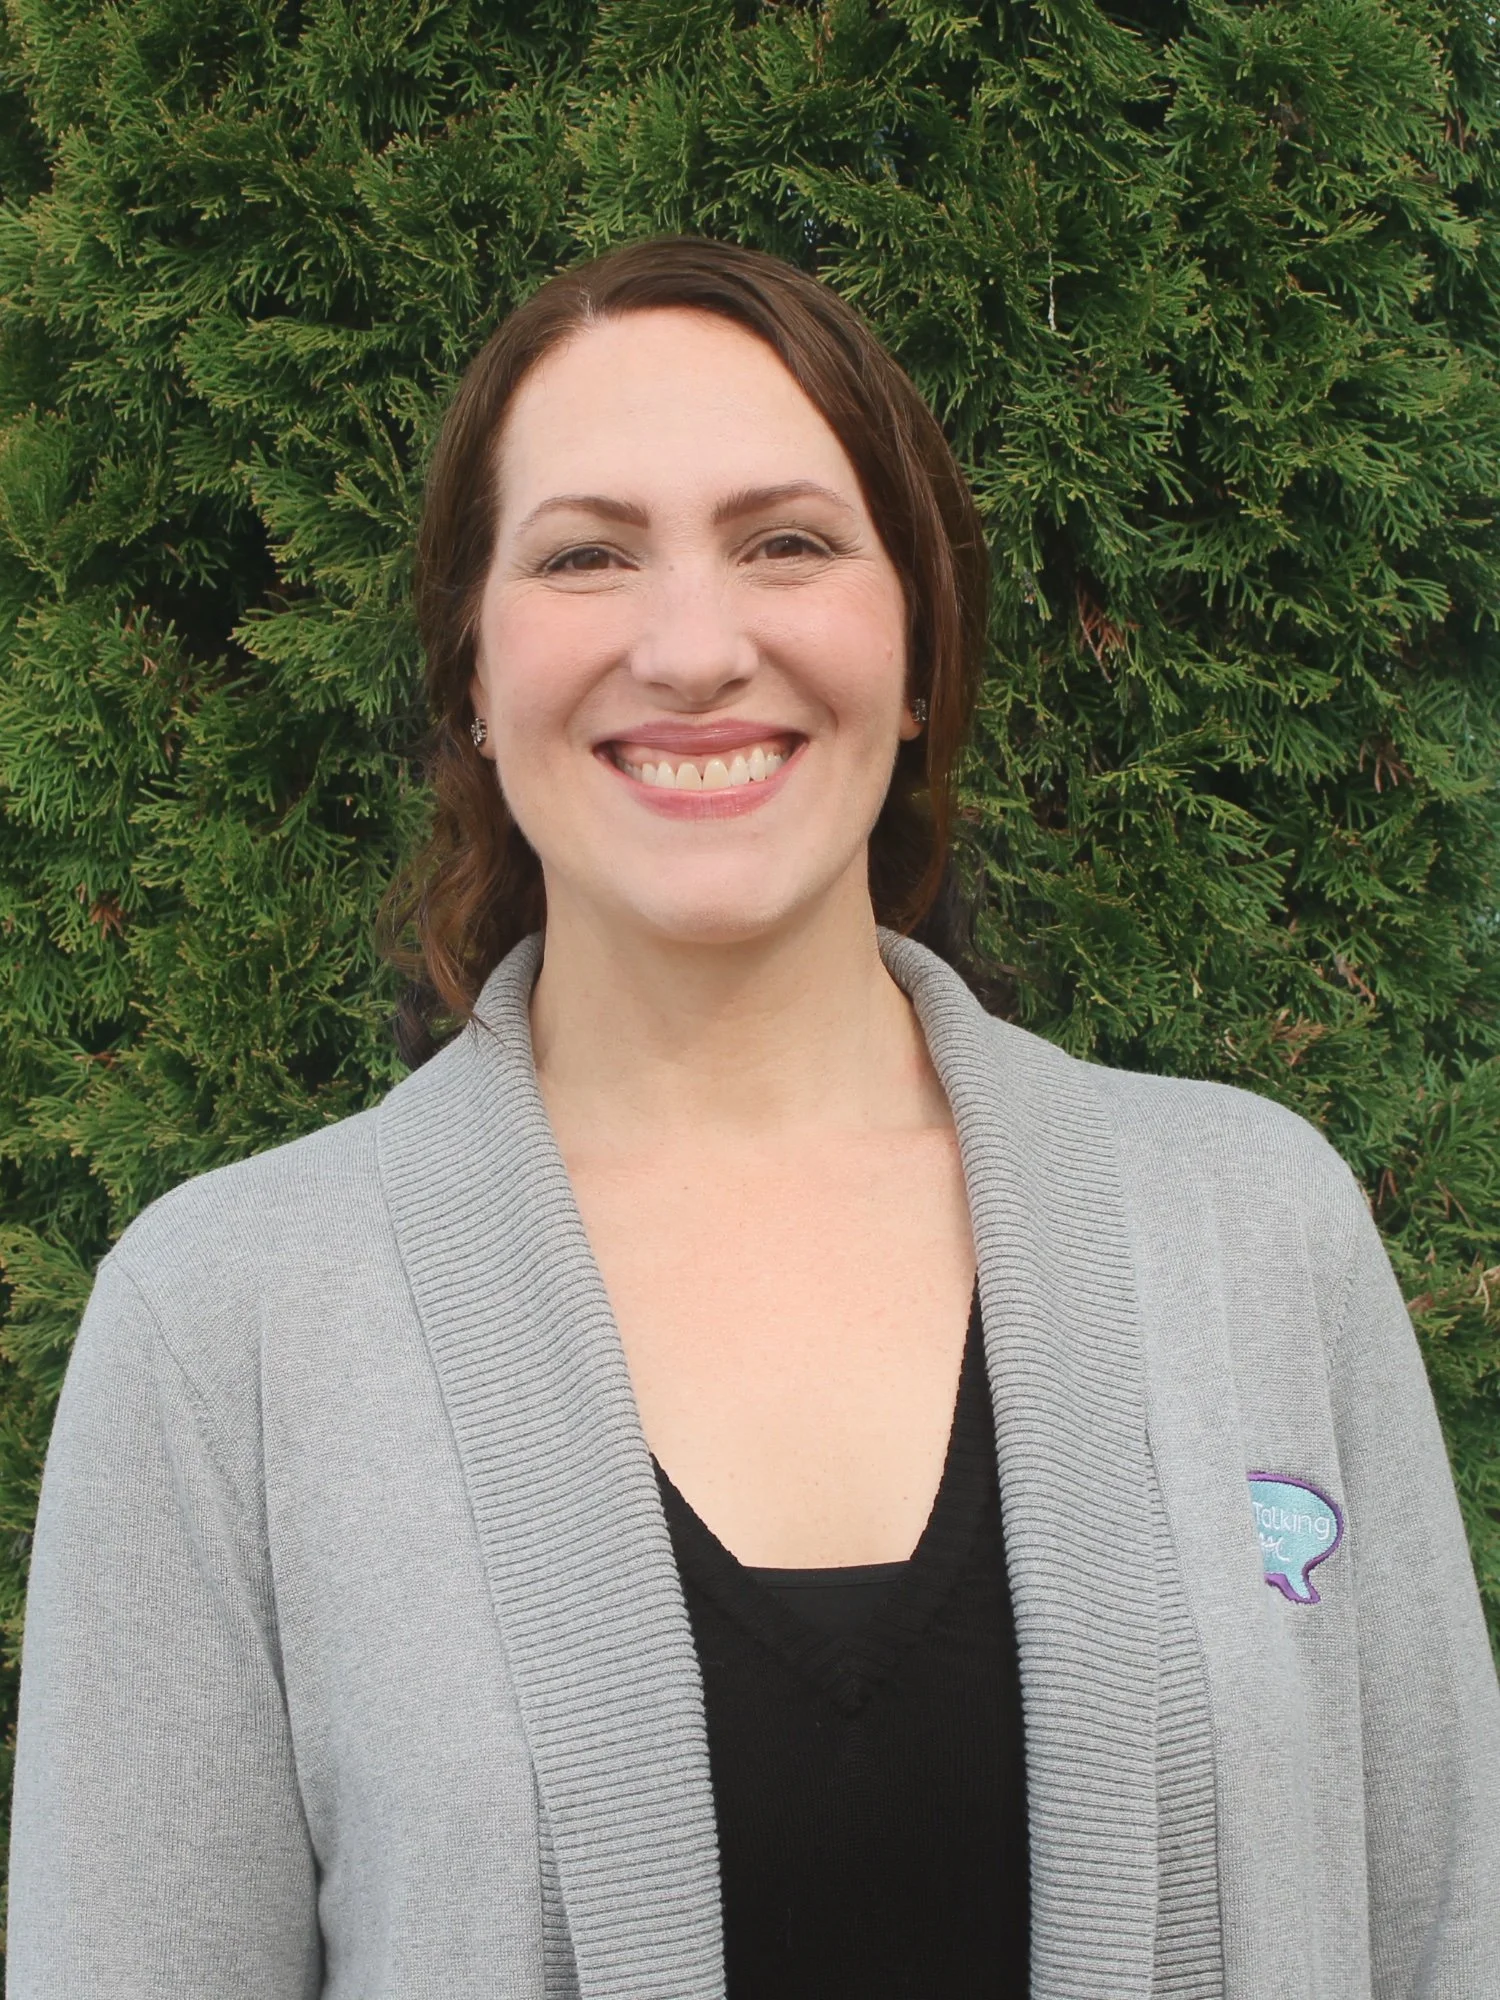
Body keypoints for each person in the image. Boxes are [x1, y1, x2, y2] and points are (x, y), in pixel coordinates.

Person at [9, 236, 1498, 2000]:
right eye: (584, 555)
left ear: (919, 645)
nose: (696, 646)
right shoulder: (226, 1327)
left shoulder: (1255, 1231)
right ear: (474, 678)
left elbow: (1442, 1934)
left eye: (786, 542)